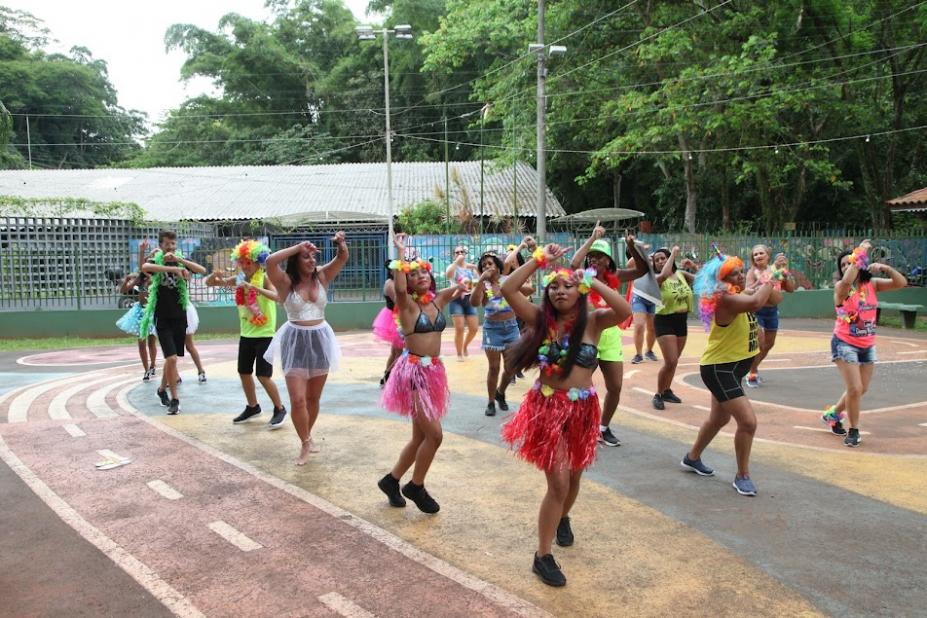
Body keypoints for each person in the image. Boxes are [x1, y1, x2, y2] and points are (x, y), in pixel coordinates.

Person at [500, 243, 632, 587]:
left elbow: (624, 308)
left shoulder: (595, 323)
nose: (560, 291)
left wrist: (590, 279)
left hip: (583, 410)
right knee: (557, 482)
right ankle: (542, 556)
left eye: (568, 285)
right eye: (554, 286)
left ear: (580, 290)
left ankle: (562, 518)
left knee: (573, 479)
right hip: (546, 409)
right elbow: (507, 288)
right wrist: (539, 260)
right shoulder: (540, 320)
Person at [378, 234, 467, 514]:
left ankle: (391, 481)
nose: (420, 277)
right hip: (413, 373)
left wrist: (473, 281)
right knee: (435, 436)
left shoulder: (439, 299)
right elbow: (400, 287)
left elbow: (467, 289)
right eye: (413, 274)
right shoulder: (407, 305)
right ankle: (416, 486)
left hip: (434, 372)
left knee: (419, 438)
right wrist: (401, 254)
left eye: (423, 272)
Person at [681, 249, 774, 497]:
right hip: (720, 369)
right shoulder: (724, 298)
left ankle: (692, 458)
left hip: (732, 367)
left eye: (741, 271)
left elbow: (767, 298)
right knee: (748, 422)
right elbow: (756, 302)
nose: (741, 276)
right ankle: (742, 475)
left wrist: (770, 283)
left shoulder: (735, 293)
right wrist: (770, 276)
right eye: (734, 274)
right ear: (722, 280)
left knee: (719, 419)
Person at [265, 233, 348, 464]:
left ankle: (308, 435)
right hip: (296, 341)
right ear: (295, 260)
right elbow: (270, 261)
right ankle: (304, 443)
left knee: (313, 398)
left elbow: (342, 258)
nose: (311, 260)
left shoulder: (321, 277)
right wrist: (297, 246)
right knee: (298, 399)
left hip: (320, 339)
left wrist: (340, 243)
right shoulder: (285, 282)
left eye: (313, 256)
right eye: (305, 257)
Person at [822, 240, 907, 447]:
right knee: (854, 388)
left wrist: (884, 268)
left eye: (847, 263)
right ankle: (853, 429)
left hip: (867, 344)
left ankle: (833, 414)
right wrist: (858, 254)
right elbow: (847, 279)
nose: (845, 267)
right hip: (844, 343)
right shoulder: (841, 288)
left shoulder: (872, 284)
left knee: (861, 389)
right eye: (842, 265)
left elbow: (901, 283)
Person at [570, 224, 648, 446]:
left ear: (608, 261)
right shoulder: (582, 276)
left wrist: (631, 247)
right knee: (580, 385)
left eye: (599, 256)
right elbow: (574, 263)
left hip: (610, 336)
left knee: (615, 386)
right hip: (587, 335)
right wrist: (592, 239)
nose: (594, 259)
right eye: (592, 256)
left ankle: (603, 427)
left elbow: (641, 270)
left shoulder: (616, 276)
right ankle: (578, 424)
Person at [205, 239, 287, 429]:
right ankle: (253, 406)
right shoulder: (240, 279)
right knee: (243, 372)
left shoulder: (265, 278)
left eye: (248, 262)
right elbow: (212, 284)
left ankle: (279, 408)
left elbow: (277, 297)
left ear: (258, 262)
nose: (245, 266)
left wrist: (255, 288)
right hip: (246, 333)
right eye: (241, 262)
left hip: (265, 333)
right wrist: (213, 276)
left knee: (263, 375)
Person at [141, 231, 206, 415]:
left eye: (173, 244)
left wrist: (181, 263)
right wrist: (172, 269)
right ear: (161, 245)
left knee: (173, 359)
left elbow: (202, 270)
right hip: (162, 318)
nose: (171, 247)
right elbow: (145, 266)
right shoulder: (157, 261)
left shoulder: (181, 260)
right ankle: (174, 400)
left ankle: (161, 390)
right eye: (167, 244)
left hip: (180, 317)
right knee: (171, 359)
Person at [470, 250, 531, 416]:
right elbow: (474, 303)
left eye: (490, 263)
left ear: (497, 265)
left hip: (511, 327)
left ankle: (500, 393)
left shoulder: (507, 281)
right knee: (494, 367)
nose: (487, 267)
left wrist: (522, 283)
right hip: (492, 329)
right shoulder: (483, 285)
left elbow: (529, 290)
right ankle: (491, 401)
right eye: (483, 265)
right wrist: (480, 281)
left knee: (511, 367)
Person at [651, 247, 696, 410]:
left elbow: (703, 278)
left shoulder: (681, 275)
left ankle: (667, 390)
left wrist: (694, 265)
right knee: (670, 361)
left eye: (663, 258)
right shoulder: (656, 278)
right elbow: (663, 274)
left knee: (674, 361)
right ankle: (657, 394)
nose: (661, 261)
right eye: (657, 260)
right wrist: (674, 255)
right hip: (664, 320)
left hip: (681, 320)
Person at [745, 245, 797, 387]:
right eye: (755, 254)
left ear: (768, 255)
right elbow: (749, 290)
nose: (758, 256)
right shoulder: (752, 272)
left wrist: (785, 271)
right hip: (757, 311)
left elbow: (791, 288)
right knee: (759, 343)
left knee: (768, 345)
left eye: (761, 253)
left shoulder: (777, 270)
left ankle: (752, 368)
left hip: (772, 311)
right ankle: (752, 374)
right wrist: (772, 270)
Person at [116, 239, 158, 381]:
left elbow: (143, 265)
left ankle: (153, 365)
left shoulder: (155, 279)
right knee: (141, 342)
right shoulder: (139, 278)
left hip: (152, 312)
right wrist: (127, 280)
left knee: (152, 342)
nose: (145, 268)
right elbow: (123, 290)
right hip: (140, 312)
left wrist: (147, 253)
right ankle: (146, 369)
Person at [372, 261, 404, 387]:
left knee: (395, 351)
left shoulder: (399, 282)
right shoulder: (390, 284)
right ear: (391, 271)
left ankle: (387, 377)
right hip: (394, 318)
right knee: (399, 352)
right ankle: (389, 377)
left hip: (400, 316)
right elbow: (399, 301)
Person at [445, 245, 479, 361]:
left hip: (469, 299)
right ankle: (459, 353)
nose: (459, 253)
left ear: (465, 254)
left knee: (474, 328)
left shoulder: (471, 267)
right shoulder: (452, 266)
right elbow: (448, 275)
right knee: (459, 328)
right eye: (457, 252)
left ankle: (465, 346)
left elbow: (476, 282)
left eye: (461, 252)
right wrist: (456, 263)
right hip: (456, 299)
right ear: (454, 255)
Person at [626, 249, 660, 364]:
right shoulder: (639, 263)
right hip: (639, 297)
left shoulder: (657, 263)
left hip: (653, 299)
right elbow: (628, 264)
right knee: (639, 325)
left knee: (653, 328)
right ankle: (638, 354)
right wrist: (638, 252)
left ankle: (649, 351)